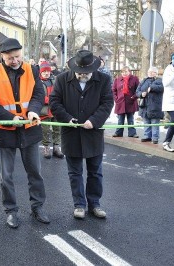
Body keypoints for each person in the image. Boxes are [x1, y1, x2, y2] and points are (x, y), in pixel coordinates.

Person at [0, 37, 50, 228]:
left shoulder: (31, 69)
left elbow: (38, 94)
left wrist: (33, 111)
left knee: (35, 172)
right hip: (5, 130)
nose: (15, 61)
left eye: (18, 56)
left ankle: (38, 207)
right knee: (7, 176)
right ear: (2, 56)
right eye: (10, 58)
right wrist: (11, 118)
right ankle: (11, 211)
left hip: (29, 129)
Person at [50, 50, 113, 219]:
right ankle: (79, 204)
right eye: (79, 72)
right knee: (75, 172)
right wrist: (67, 118)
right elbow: (54, 102)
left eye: (85, 73)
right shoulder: (62, 79)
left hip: (93, 133)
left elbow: (107, 103)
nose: (82, 75)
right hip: (71, 134)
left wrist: (94, 121)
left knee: (95, 172)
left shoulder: (104, 80)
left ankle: (95, 203)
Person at [38, 61, 64, 159]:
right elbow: (38, 96)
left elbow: (60, 92)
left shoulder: (56, 80)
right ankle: (46, 148)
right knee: (45, 130)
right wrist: (50, 100)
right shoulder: (37, 82)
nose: (46, 73)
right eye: (44, 71)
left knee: (57, 129)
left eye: (48, 71)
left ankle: (57, 148)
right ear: (41, 72)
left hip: (56, 110)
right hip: (44, 111)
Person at [135, 67, 164, 144]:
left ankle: (155, 138)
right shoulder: (144, 81)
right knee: (146, 122)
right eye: (149, 72)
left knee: (155, 123)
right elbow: (137, 91)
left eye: (153, 72)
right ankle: (147, 136)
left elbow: (161, 88)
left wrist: (151, 88)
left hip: (155, 105)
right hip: (144, 105)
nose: (151, 73)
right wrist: (141, 94)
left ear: (156, 73)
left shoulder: (159, 80)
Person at [112, 66, 140, 138]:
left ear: (129, 72)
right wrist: (116, 98)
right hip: (120, 102)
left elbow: (138, 90)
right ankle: (118, 132)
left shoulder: (134, 79)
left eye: (126, 71)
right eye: (123, 72)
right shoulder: (117, 80)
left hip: (131, 102)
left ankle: (132, 133)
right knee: (120, 119)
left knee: (130, 119)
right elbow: (113, 90)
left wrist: (134, 97)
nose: (124, 73)